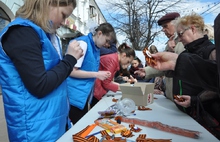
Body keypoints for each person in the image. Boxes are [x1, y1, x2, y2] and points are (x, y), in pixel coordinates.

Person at [0, 0, 83, 141]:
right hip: (35, 131)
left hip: (50, 124)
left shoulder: (46, 35)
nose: (63, 22)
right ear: (49, 3)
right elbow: (40, 85)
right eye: (63, 15)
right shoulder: (21, 32)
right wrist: (70, 59)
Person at [67, 23, 116, 124]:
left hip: (81, 96)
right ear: (99, 33)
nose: (107, 45)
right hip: (73, 97)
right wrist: (97, 74)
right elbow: (71, 71)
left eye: (109, 43)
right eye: (107, 41)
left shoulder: (95, 48)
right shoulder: (83, 44)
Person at [135, 12, 185, 101]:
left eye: (165, 26)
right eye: (162, 27)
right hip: (172, 97)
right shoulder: (170, 43)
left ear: (177, 24)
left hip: (183, 97)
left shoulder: (184, 41)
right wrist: (146, 71)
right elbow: (163, 65)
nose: (163, 30)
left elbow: (183, 65)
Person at [91, 42, 135, 107]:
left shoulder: (113, 58)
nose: (128, 64)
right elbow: (106, 83)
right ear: (124, 55)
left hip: (96, 86)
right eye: (128, 62)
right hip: (96, 89)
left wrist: (120, 86)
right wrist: (123, 89)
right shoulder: (112, 61)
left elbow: (108, 81)